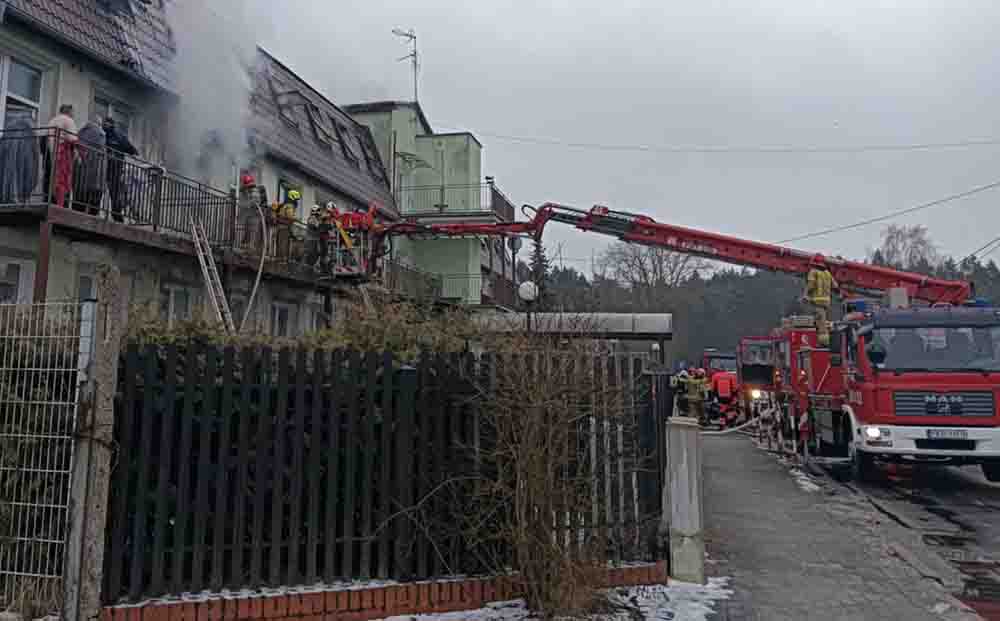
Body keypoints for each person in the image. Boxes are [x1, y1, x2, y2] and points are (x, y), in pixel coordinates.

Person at [102, 117, 138, 222]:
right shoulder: (103, 134)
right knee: (108, 191)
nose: (105, 125)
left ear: (111, 125)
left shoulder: (118, 136)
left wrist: (135, 154)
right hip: (106, 167)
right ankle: (112, 214)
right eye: (104, 124)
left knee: (114, 192)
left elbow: (131, 149)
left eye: (106, 124)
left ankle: (116, 215)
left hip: (114, 168)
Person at [43, 104, 78, 207]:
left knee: (49, 181)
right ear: (69, 112)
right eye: (73, 112)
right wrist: (78, 155)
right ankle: (61, 206)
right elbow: (73, 140)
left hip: (49, 156)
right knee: (63, 183)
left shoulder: (52, 121)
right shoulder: (68, 120)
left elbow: (43, 140)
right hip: (62, 156)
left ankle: (47, 202)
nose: (74, 115)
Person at [803, 254, 838, 347]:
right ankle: (824, 342)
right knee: (823, 322)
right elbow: (835, 286)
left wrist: (805, 295)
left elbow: (810, 285)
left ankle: (823, 343)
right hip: (826, 303)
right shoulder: (827, 273)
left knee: (820, 324)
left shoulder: (813, 272)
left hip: (817, 302)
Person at [73, 121, 106, 215]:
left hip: (80, 179)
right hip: (95, 180)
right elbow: (101, 149)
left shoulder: (81, 132)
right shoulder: (101, 134)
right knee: (93, 208)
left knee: (78, 205)